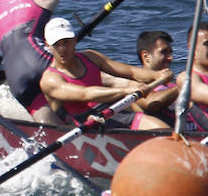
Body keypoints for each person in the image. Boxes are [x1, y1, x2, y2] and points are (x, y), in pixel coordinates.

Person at [0, 0, 157, 111]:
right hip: (40, 60)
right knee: (105, 79)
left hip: (14, 75)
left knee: (48, 125)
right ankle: (152, 94)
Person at [36, 18, 171, 129]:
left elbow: (131, 71)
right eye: (57, 44)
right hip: (80, 125)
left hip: (110, 112)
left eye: (66, 42)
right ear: (47, 44)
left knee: (163, 131)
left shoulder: (91, 57)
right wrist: (127, 90)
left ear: (75, 39)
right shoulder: (50, 79)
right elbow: (86, 93)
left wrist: (157, 75)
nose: (62, 49)